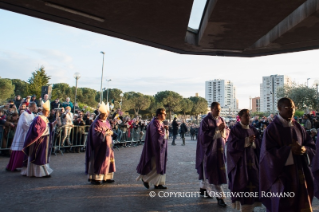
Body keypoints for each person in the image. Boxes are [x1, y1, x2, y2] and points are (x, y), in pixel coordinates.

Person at [259, 97, 316, 212]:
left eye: (293, 107)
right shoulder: (271, 129)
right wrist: (289, 151)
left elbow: (310, 145)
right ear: (279, 108)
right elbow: (267, 155)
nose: (292, 110)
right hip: (282, 177)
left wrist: (304, 149)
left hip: (300, 174)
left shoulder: (299, 127)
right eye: (288, 107)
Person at [227, 109, 262, 211]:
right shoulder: (235, 129)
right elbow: (231, 146)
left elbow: (259, 143)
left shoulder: (253, 129)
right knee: (242, 184)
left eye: (249, 115)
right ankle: (244, 208)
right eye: (246, 116)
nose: (248, 117)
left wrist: (254, 142)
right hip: (240, 165)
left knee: (254, 183)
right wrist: (247, 141)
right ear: (240, 117)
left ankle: (251, 207)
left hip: (253, 162)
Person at [195, 102, 227, 207]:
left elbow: (226, 133)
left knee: (209, 173)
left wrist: (224, 130)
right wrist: (217, 129)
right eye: (217, 109)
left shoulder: (221, 119)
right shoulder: (205, 121)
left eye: (219, 109)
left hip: (219, 151)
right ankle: (220, 197)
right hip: (208, 152)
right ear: (212, 109)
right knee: (212, 174)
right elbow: (203, 137)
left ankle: (203, 188)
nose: (219, 111)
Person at [21, 100, 57, 177]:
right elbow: (36, 130)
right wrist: (47, 128)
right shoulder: (38, 118)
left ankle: (41, 172)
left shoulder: (44, 118)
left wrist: (52, 124)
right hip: (38, 141)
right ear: (45, 111)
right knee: (38, 156)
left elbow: (46, 126)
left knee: (41, 156)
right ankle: (39, 173)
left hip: (43, 140)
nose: (49, 113)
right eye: (48, 111)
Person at [136, 108, 168, 189]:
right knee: (155, 166)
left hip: (161, 148)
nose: (165, 115)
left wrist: (165, 129)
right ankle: (145, 179)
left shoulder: (159, 122)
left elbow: (162, 134)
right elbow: (156, 136)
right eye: (164, 114)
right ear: (159, 115)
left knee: (160, 165)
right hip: (155, 149)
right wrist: (164, 130)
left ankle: (158, 183)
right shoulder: (154, 123)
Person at [85, 102, 115, 185]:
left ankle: (107, 176)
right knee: (99, 160)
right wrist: (105, 133)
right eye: (104, 114)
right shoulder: (96, 122)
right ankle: (96, 178)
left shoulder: (107, 122)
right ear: (100, 114)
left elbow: (110, 129)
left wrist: (111, 132)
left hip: (109, 145)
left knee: (109, 159)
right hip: (100, 146)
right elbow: (96, 134)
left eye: (106, 114)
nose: (105, 116)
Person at [6, 102, 37, 171]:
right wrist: (32, 127)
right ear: (30, 106)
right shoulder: (24, 114)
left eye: (35, 107)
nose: (35, 108)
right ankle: (14, 166)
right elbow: (24, 124)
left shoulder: (32, 114)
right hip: (23, 134)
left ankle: (24, 165)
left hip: (28, 134)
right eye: (34, 107)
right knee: (19, 149)